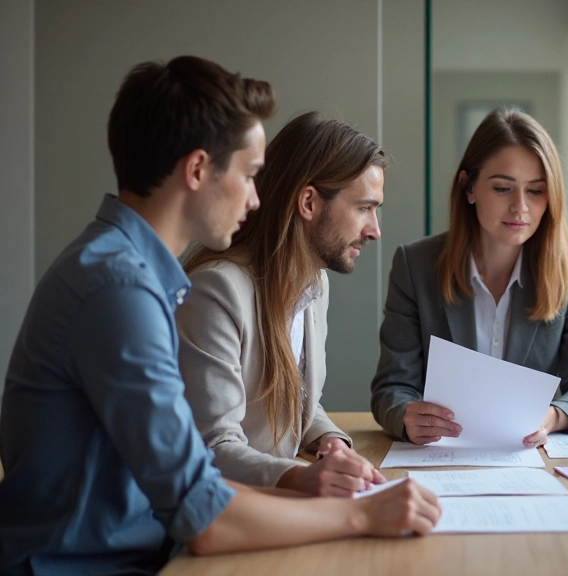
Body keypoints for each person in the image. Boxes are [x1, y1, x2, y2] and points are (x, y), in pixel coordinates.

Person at [0, 56, 439, 575]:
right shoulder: (119, 289)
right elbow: (201, 514)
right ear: (197, 170)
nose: (256, 199)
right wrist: (362, 515)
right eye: (250, 175)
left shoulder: (129, 272)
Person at [371, 108, 568, 446]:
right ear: (468, 188)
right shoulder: (416, 265)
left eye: (535, 191)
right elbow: (392, 388)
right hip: (439, 458)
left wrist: (552, 416)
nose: (520, 207)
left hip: (527, 461)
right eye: (502, 189)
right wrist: (406, 414)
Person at [177, 111, 387, 497]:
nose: (374, 230)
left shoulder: (315, 284)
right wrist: (300, 477)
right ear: (308, 202)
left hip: (273, 505)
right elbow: (212, 447)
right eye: (364, 208)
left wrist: (331, 443)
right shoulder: (215, 292)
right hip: (230, 515)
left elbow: (296, 405)